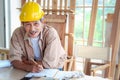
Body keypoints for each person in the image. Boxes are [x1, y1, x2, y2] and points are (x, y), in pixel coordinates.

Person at [9, 1, 67, 72]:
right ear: (22, 24)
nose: (32, 29)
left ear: (42, 22)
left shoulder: (51, 33)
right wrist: (28, 67)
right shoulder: (17, 33)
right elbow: (14, 60)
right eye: (28, 24)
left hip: (53, 68)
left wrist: (25, 63)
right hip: (30, 69)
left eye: (36, 23)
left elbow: (49, 64)